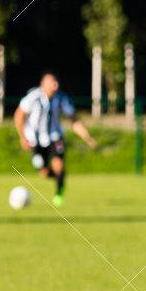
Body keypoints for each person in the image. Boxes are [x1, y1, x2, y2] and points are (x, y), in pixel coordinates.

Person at [14, 72, 98, 207]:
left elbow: (74, 120)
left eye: (56, 82)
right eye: (52, 82)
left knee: (59, 165)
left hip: (55, 137)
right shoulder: (33, 97)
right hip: (35, 140)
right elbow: (19, 116)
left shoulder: (61, 98)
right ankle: (60, 178)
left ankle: (59, 193)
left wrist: (87, 138)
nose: (55, 85)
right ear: (43, 84)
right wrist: (22, 137)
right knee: (44, 172)